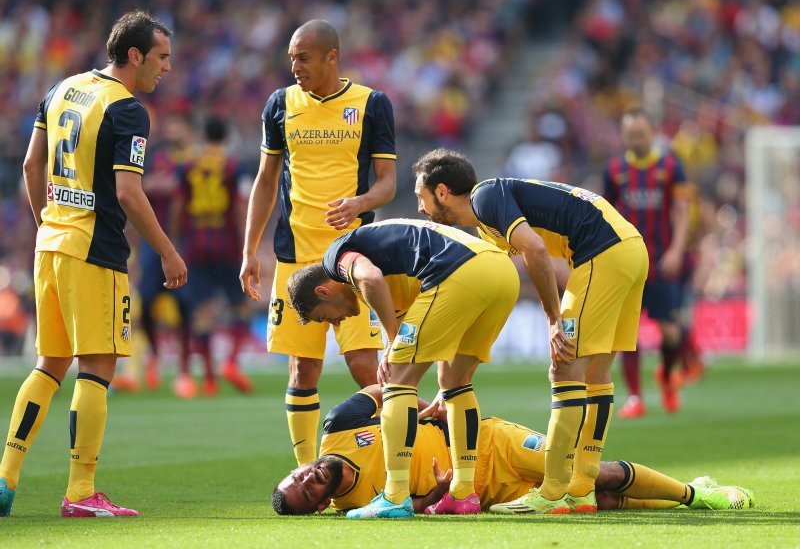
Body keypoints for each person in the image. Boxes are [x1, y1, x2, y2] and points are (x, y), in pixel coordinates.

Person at [0, 10, 187, 518]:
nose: (167, 68)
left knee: (49, 365)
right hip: (95, 251)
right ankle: (81, 493)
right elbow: (128, 192)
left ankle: (5, 477)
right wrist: (168, 250)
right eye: (162, 57)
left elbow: (31, 164)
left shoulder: (61, 88)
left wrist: (46, 223)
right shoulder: (127, 109)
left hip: (51, 245)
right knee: (97, 368)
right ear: (135, 55)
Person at [413, 148, 647, 515]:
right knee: (596, 373)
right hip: (629, 248)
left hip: (602, 252)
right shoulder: (487, 224)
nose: (419, 207)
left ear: (442, 192)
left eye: (421, 196)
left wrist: (553, 317)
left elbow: (536, 250)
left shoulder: (485, 197)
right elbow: (492, 289)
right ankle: (582, 488)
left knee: (564, 368)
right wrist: (453, 379)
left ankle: (552, 491)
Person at [239, 19, 396, 467]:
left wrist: (360, 202)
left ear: (332, 57)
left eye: (303, 58)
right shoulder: (280, 104)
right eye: (292, 58)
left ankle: (397, 465)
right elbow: (265, 181)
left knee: (366, 366)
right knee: (302, 368)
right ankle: (306, 470)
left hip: (353, 256)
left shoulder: (371, 104)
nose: (295, 66)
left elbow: (387, 182)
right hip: (296, 258)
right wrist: (250, 250)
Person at [286, 218, 519, 518]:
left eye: (324, 317)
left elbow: (371, 278)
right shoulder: (396, 281)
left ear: (323, 292)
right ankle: (463, 493)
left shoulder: (336, 259)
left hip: (459, 271)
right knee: (455, 382)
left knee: (396, 379)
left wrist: (391, 340)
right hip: (501, 272)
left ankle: (395, 497)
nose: (335, 323)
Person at [271, 386, 754, 515]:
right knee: (597, 502)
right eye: (306, 493)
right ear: (319, 505)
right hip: (485, 493)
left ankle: (697, 495)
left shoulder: (338, 427)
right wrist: (437, 494)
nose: (307, 479)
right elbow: (409, 507)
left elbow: (382, 391)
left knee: (588, 474)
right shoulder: (356, 506)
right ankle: (687, 491)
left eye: (296, 477)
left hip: (490, 442)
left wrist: (423, 407)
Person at [603, 108, 693, 418]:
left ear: (652, 132)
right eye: (630, 135)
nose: (636, 140)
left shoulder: (671, 168)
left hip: (661, 261)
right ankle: (635, 397)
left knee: (671, 332)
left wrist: (677, 250)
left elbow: (681, 211)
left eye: (640, 134)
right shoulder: (614, 170)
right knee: (628, 334)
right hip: (628, 264)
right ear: (624, 136)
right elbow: (606, 214)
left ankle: (666, 376)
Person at [170, 116, 253, 398]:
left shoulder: (187, 165)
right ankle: (231, 361)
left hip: (196, 243)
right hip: (227, 244)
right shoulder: (235, 166)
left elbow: (178, 207)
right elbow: (241, 208)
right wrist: (248, 245)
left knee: (203, 312)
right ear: (225, 137)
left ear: (203, 136)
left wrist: (173, 244)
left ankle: (208, 380)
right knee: (241, 306)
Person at [136, 112, 196, 392]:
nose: (171, 131)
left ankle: (184, 370)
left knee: (185, 305)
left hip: (185, 240)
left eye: (177, 126)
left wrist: (169, 186)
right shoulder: (157, 155)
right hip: (153, 241)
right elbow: (139, 186)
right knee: (146, 299)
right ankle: (155, 355)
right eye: (170, 126)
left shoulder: (196, 159)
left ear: (188, 129)